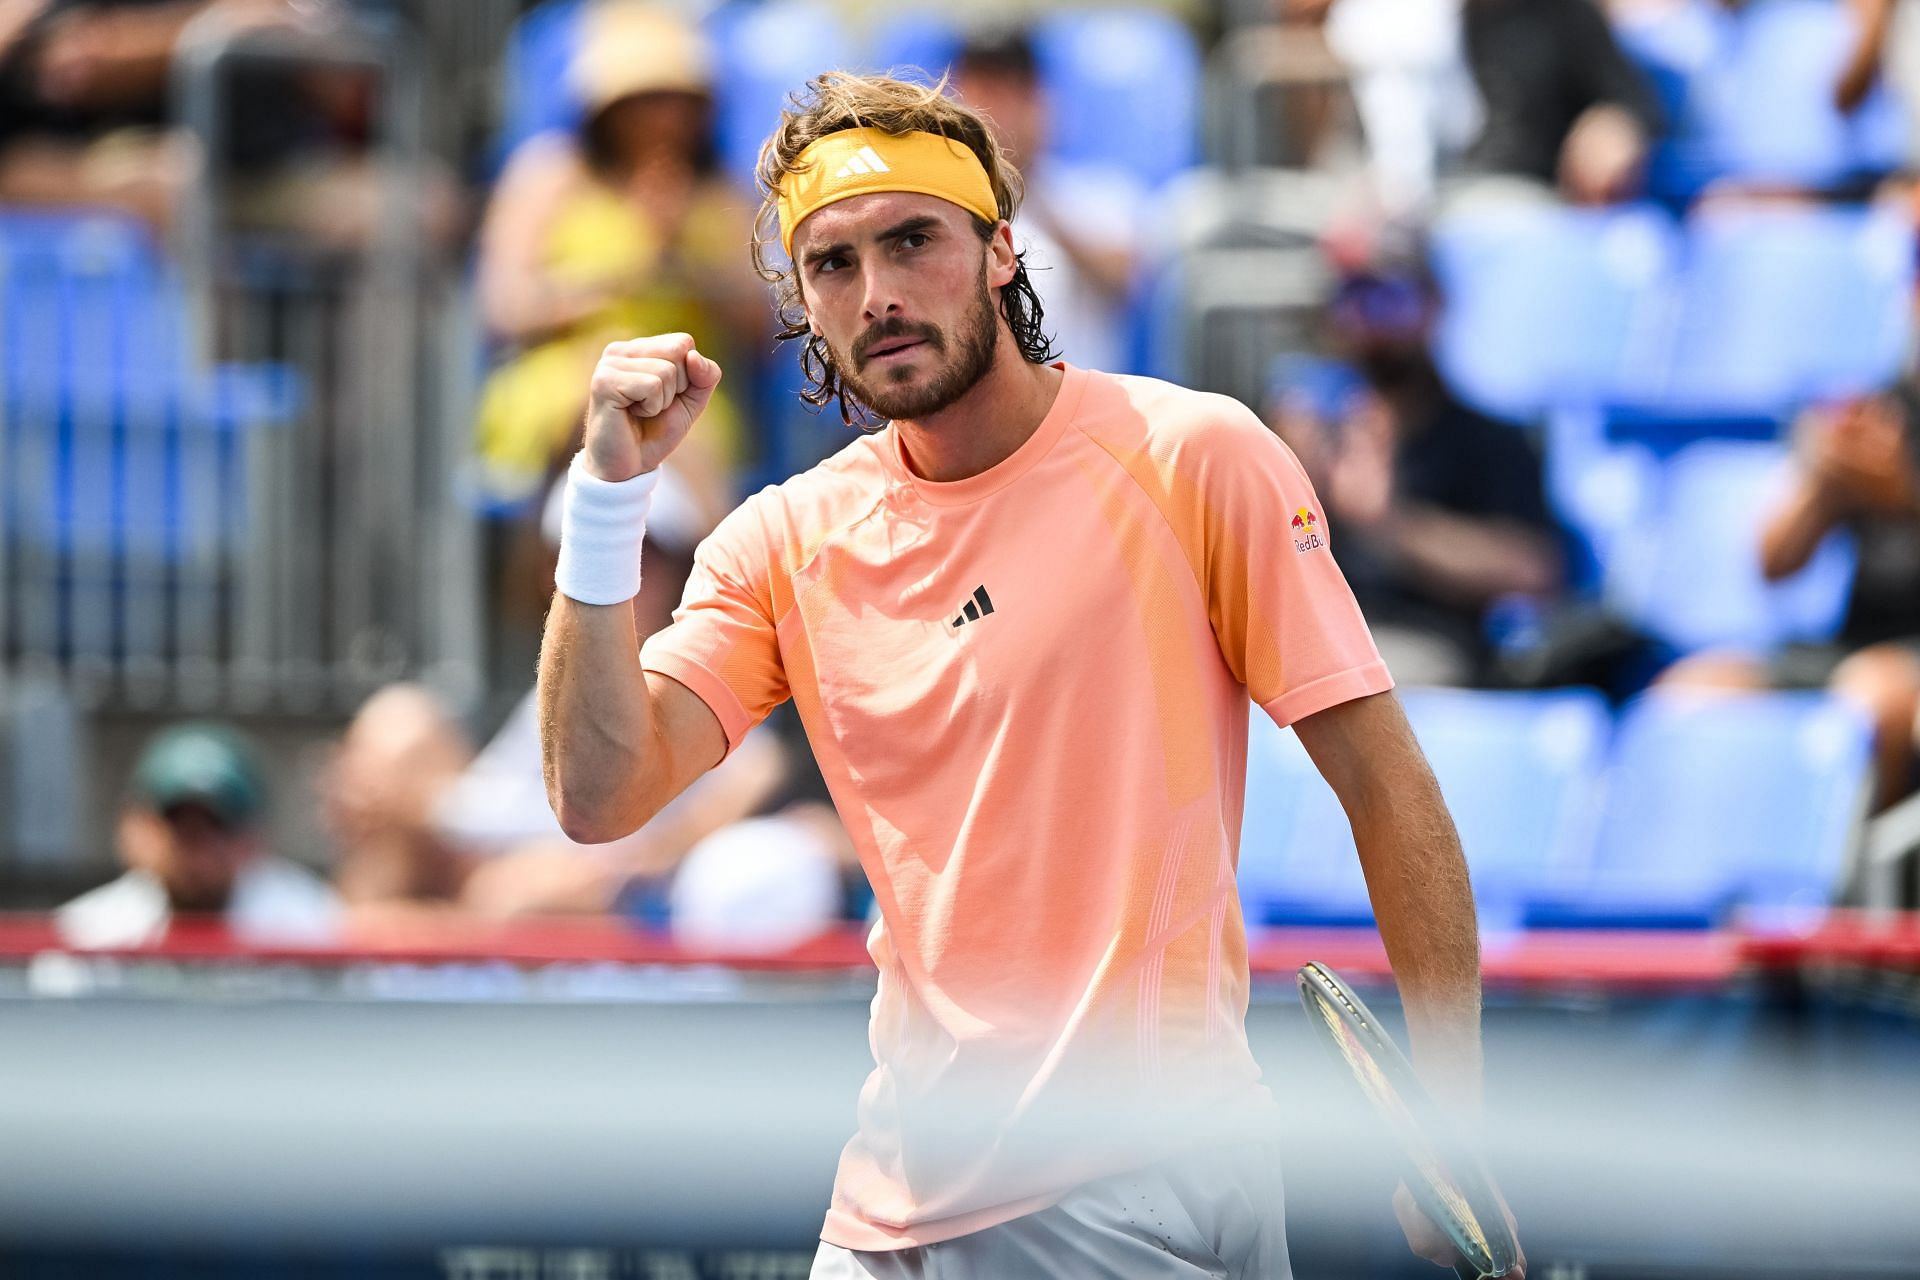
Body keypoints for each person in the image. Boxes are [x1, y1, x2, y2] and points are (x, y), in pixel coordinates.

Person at [538, 72, 1526, 1277]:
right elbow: (599, 793)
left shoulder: (1194, 456)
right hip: (886, 1205)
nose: (880, 293)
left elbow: (1385, 783)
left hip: (1138, 1177)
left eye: (913, 240)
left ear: (1002, 251)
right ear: (803, 302)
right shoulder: (780, 540)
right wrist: (606, 502)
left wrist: (1452, 1115)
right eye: (833, 265)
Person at [473, 0, 761, 512]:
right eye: (648, 98)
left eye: (681, 99)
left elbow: (761, 324)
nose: (667, 117)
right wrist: (622, 277)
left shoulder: (720, 196)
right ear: (606, 106)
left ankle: (706, 585)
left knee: (671, 415)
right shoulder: (547, 176)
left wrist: (682, 258)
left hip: (692, 393)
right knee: (614, 401)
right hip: (558, 388)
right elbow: (506, 306)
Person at [1267, 270, 1564, 686]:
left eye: (1391, 296)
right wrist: (1290, 486)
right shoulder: (1301, 431)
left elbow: (1531, 571)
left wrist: (1391, 526)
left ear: (1432, 305)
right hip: (1309, 632)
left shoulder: (1489, 440)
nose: (1372, 317)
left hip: (1425, 645)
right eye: (1355, 296)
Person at [1656, 385, 1920, 811]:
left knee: (1875, 694)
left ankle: (1860, 872)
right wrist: (1822, 480)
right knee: (1690, 688)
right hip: (1849, 646)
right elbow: (1775, 565)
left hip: (1898, 659)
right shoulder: (1875, 407)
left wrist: (1901, 500)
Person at [949, 27, 1143, 375]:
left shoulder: (1099, 195)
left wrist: (1025, 184)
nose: (994, 114)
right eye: (981, 92)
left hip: (1086, 408)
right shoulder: (938, 205)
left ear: (1041, 103)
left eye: (1010, 94)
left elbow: (1127, 281)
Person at [57, 721, 340, 948]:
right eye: (179, 827)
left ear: (253, 837)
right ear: (134, 829)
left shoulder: (311, 925)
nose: (198, 848)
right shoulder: (89, 932)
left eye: (217, 826)